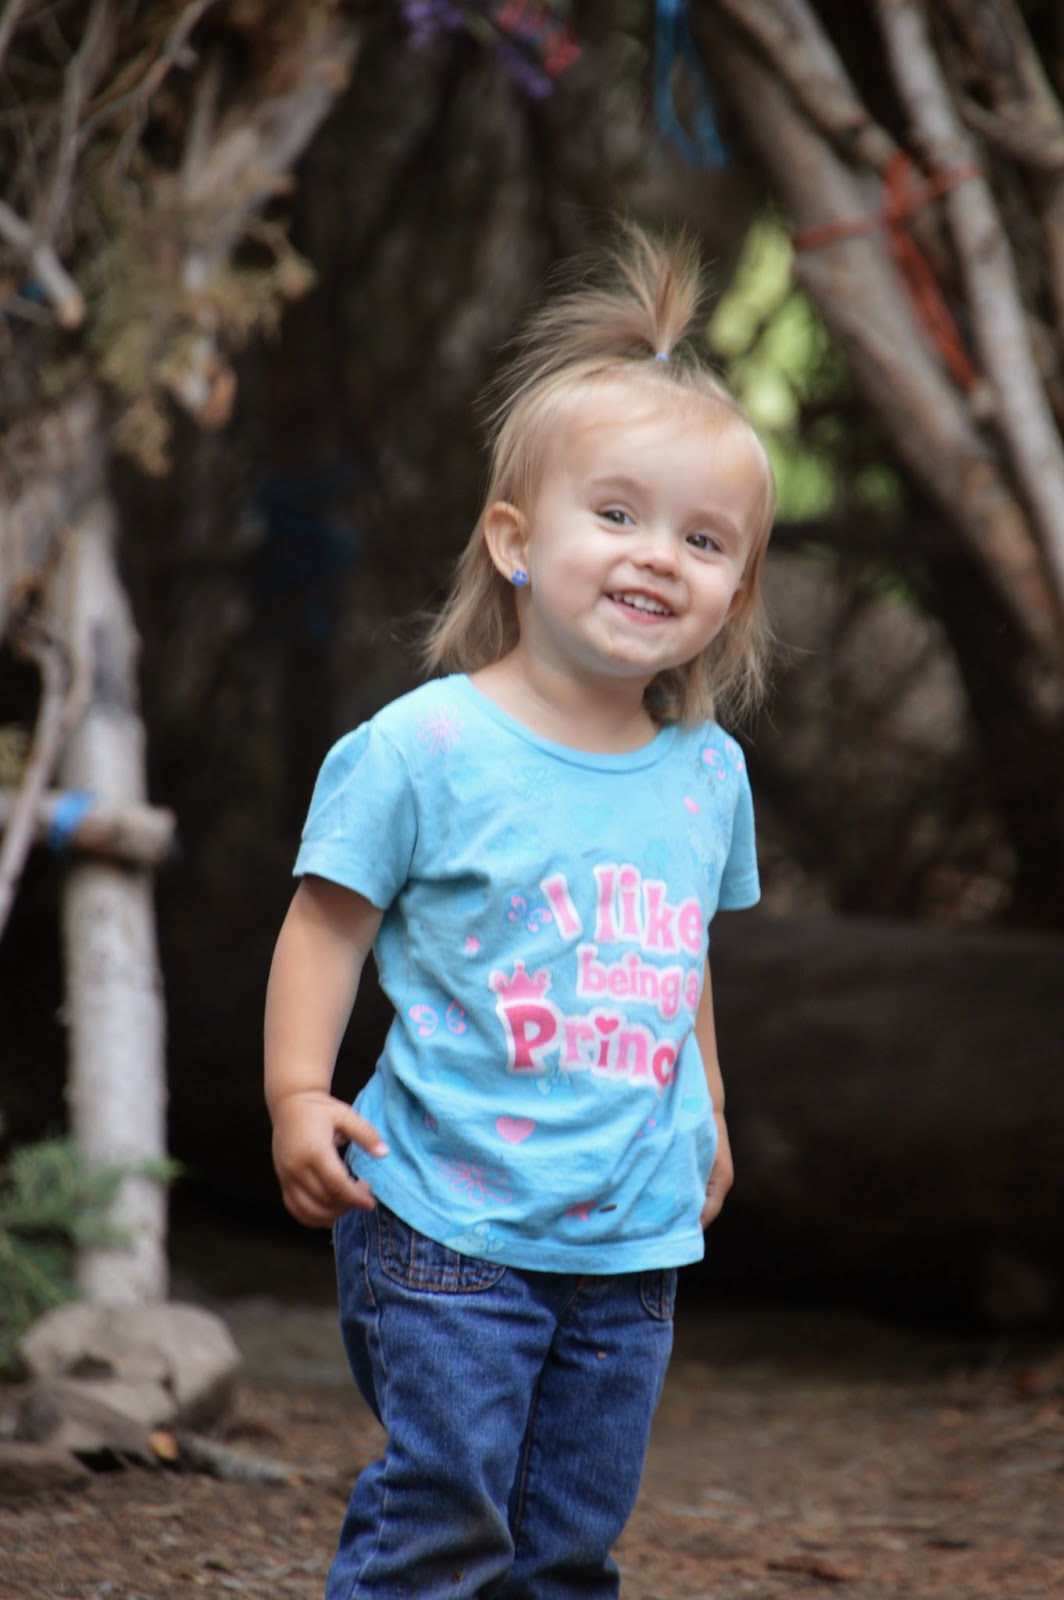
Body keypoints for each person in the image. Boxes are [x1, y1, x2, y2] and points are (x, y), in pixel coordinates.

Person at [264, 224, 776, 1600]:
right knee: (449, 1512)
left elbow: (680, 953)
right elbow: (325, 925)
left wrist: (710, 1109)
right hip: (448, 1221)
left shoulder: (707, 775)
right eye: (616, 516)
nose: (657, 557)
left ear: (734, 591)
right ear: (514, 541)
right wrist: (298, 1096)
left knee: (568, 1540)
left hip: (631, 1231)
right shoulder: (424, 749)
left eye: (703, 539)